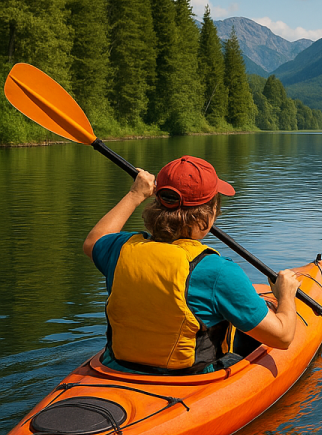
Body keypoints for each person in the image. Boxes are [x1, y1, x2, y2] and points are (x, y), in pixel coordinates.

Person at [83, 155, 300, 374]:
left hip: (116, 369)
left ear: (157, 203)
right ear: (210, 212)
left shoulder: (120, 249)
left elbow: (94, 241)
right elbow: (282, 338)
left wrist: (134, 195)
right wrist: (286, 295)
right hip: (187, 381)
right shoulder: (218, 272)